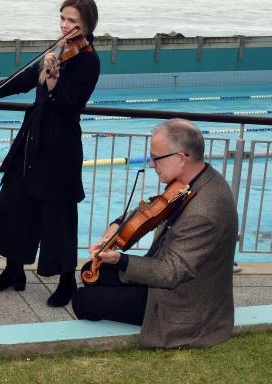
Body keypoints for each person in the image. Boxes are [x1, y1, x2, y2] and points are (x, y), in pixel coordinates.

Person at [0, 0, 100, 307]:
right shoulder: (56, 49)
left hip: (59, 146)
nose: (66, 25)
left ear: (87, 24)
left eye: (73, 21)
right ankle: (13, 271)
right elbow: (25, 79)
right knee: (13, 205)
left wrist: (55, 81)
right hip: (32, 140)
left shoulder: (88, 59)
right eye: (63, 19)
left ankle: (67, 282)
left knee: (58, 217)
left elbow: (71, 103)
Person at [72, 119, 238, 349]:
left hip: (181, 302)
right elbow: (151, 209)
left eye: (156, 157)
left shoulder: (205, 211)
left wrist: (121, 259)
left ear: (181, 158)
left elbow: (171, 272)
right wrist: (116, 226)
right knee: (89, 272)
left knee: (82, 300)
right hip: (163, 277)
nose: (151, 164)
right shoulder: (194, 179)